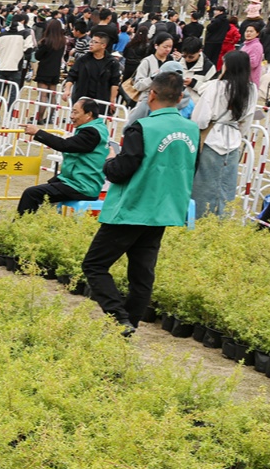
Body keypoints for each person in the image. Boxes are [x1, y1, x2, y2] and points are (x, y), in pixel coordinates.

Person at [80, 70, 198, 335]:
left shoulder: (142, 127)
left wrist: (110, 160)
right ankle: (128, 326)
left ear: (151, 94)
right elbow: (192, 167)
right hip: (165, 210)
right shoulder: (192, 129)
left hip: (132, 207)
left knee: (94, 265)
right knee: (142, 275)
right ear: (180, 98)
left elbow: (122, 170)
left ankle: (119, 318)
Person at [190, 50, 257, 217]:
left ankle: (199, 220)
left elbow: (201, 118)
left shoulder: (216, 86)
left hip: (211, 137)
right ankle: (222, 221)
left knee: (204, 184)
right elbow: (247, 121)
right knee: (227, 184)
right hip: (233, 138)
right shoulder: (251, 89)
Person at [18, 98, 110, 213]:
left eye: (75, 112)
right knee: (48, 186)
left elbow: (64, 145)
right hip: (79, 182)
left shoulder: (91, 133)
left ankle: (19, 227)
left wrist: (37, 132)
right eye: (71, 112)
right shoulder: (99, 128)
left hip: (82, 186)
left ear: (88, 115)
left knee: (31, 193)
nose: (71, 116)